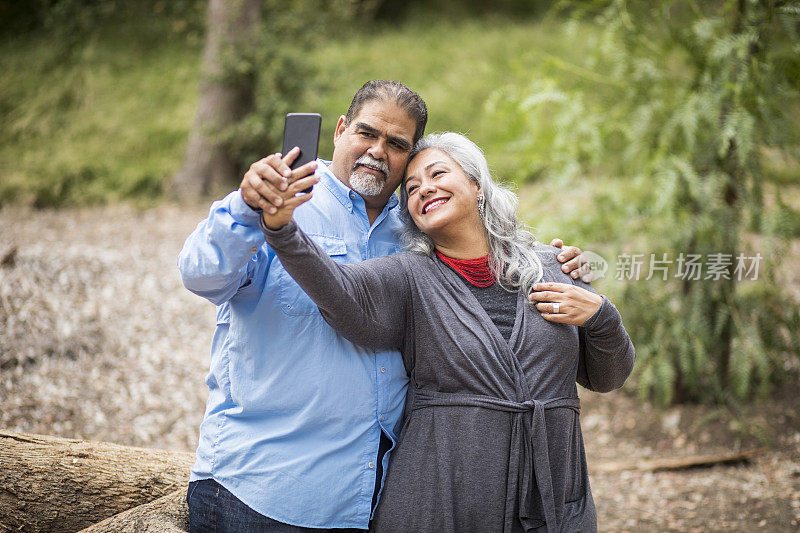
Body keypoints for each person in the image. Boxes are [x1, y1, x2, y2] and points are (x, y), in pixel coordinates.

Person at [179, 81, 590, 531]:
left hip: (368, 500)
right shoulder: (280, 202)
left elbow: (484, 277)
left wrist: (555, 263)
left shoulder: (417, 234)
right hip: (259, 492)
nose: (378, 151)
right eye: (366, 133)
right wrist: (246, 207)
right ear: (339, 130)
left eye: (397, 144)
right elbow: (201, 274)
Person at [259, 131, 635, 532]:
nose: (425, 189)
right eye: (413, 188)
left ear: (476, 184)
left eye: (438, 174)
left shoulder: (554, 266)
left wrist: (602, 317)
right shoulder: (409, 278)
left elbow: (608, 376)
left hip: (552, 496)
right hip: (441, 498)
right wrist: (283, 231)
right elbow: (341, 290)